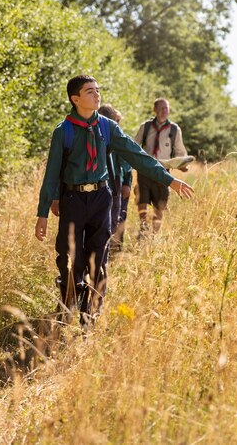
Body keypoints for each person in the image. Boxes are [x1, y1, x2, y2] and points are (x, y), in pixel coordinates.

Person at [35, 76, 193, 328]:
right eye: (90, 92)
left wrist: (169, 180)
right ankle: (68, 304)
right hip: (73, 199)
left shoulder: (108, 127)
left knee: (99, 258)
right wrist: (42, 213)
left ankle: (90, 317)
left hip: (101, 198)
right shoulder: (63, 131)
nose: (97, 95)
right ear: (75, 99)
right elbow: (52, 172)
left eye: (97, 90)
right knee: (69, 258)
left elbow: (137, 155)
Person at [134, 98, 188, 234]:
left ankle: (154, 234)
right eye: (161, 108)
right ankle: (143, 229)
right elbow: (134, 146)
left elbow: (180, 150)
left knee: (160, 204)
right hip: (145, 170)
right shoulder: (145, 127)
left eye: (166, 108)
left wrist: (183, 164)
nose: (164, 111)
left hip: (163, 171)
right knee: (142, 200)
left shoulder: (174, 129)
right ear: (155, 110)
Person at [98, 104, 132, 252]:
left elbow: (127, 164)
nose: (116, 124)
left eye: (118, 121)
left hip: (116, 180)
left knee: (117, 215)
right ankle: (101, 251)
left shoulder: (120, 138)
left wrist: (127, 183)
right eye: (114, 120)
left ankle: (113, 248)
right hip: (99, 182)